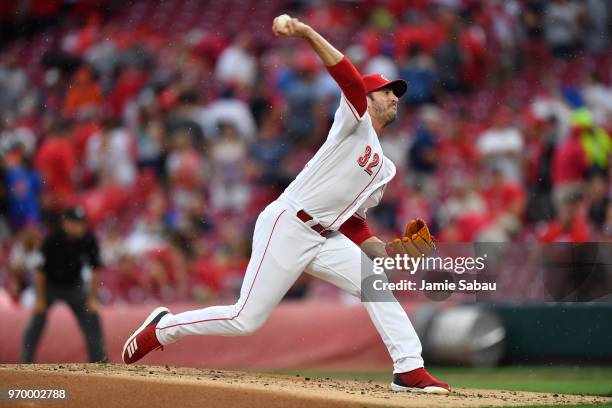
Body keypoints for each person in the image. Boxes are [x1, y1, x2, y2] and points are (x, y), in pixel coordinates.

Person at [122, 15, 450, 395]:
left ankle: (408, 370)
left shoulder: (385, 168)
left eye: (398, 93)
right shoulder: (354, 122)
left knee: (375, 282)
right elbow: (347, 78)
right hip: (288, 223)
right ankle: (162, 328)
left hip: (325, 236)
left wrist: (390, 250)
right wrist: (307, 32)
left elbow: (353, 224)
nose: (395, 97)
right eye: (387, 91)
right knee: (246, 319)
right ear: (368, 97)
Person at [21, 207, 106, 363]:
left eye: (81, 223)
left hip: (74, 286)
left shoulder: (88, 238)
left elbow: (96, 269)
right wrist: (40, 300)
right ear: (65, 223)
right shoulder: (52, 238)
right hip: (50, 286)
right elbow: (40, 271)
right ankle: (25, 363)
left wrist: (93, 298)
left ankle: (99, 363)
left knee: (92, 317)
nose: (79, 227)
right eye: (75, 223)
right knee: (37, 320)